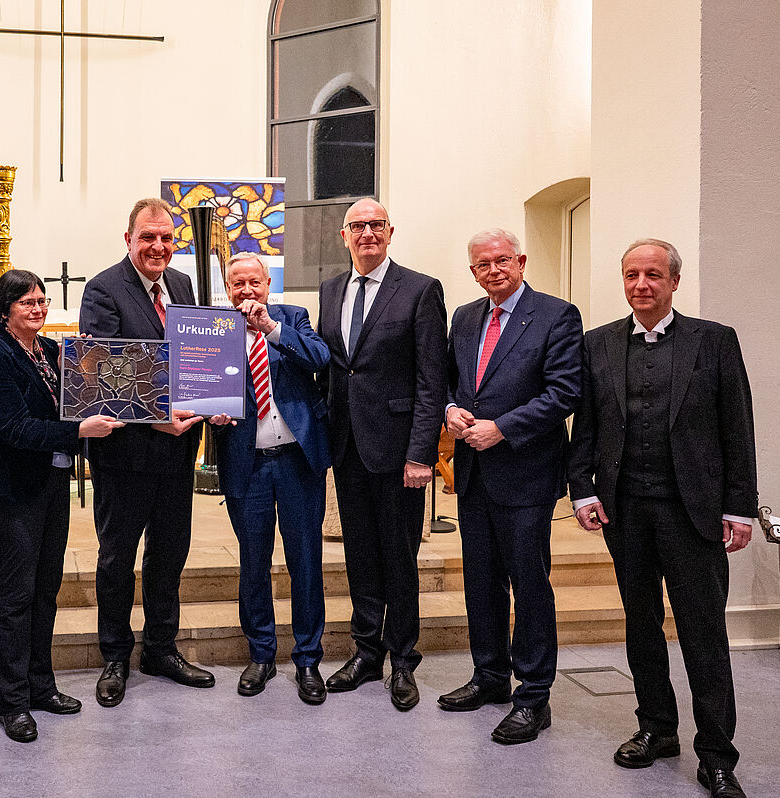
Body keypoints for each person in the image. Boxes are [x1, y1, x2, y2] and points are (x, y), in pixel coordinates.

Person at [569, 239, 757, 798]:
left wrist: (738, 506)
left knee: (703, 633)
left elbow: (737, 429)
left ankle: (717, 754)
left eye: (653, 275)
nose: (641, 285)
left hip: (693, 513)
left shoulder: (714, 341)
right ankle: (656, 728)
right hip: (625, 510)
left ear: (674, 281)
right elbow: (588, 425)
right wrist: (582, 489)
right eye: (631, 275)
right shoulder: (597, 343)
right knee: (641, 625)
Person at [441, 228, 583, 744]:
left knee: (529, 583)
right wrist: (452, 410)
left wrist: (502, 428)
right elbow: (453, 382)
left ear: (521, 260)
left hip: (525, 471)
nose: (493, 270)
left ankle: (533, 696)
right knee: (481, 582)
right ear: (473, 272)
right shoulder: (465, 317)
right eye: (482, 265)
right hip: (473, 473)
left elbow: (564, 392)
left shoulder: (556, 315)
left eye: (502, 260)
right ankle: (489, 676)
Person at [0, 269, 122, 742]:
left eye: (41, 301)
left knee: (47, 587)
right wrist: (79, 431)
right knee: (17, 593)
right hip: (13, 488)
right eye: (26, 302)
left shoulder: (52, 352)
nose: (37, 308)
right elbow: (16, 429)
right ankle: (12, 702)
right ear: (5, 309)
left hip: (52, 481)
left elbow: (86, 390)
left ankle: (41, 685)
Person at [78, 197, 210, 707]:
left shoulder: (182, 286)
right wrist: (159, 418)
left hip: (177, 452)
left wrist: (210, 402)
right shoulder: (103, 290)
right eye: (147, 237)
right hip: (125, 452)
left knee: (170, 552)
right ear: (128, 239)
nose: (158, 247)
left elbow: (194, 358)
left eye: (166, 238)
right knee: (117, 556)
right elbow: (102, 369)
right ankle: (115, 654)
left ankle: (161, 647)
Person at [317, 197, 447, 710]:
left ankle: (403, 660)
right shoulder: (331, 290)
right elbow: (334, 369)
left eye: (376, 225)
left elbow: (431, 379)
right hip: (348, 447)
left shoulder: (419, 289)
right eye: (358, 226)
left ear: (390, 232)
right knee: (360, 556)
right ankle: (366, 652)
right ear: (343, 236)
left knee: (399, 558)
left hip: (398, 454)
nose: (367, 234)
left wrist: (422, 453)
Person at [208, 252, 331, 704]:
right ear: (228, 288)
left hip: (298, 461)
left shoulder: (292, 318)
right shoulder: (214, 332)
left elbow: (319, 358)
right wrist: (208, 415)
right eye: (237, 284)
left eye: (253, 283)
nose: (246, 292)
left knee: (305, 562)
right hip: (248, 463)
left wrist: (271, 330)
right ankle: (260, 654)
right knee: (253, 564)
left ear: (266, 284)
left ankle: (307, 659)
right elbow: (196, 390)